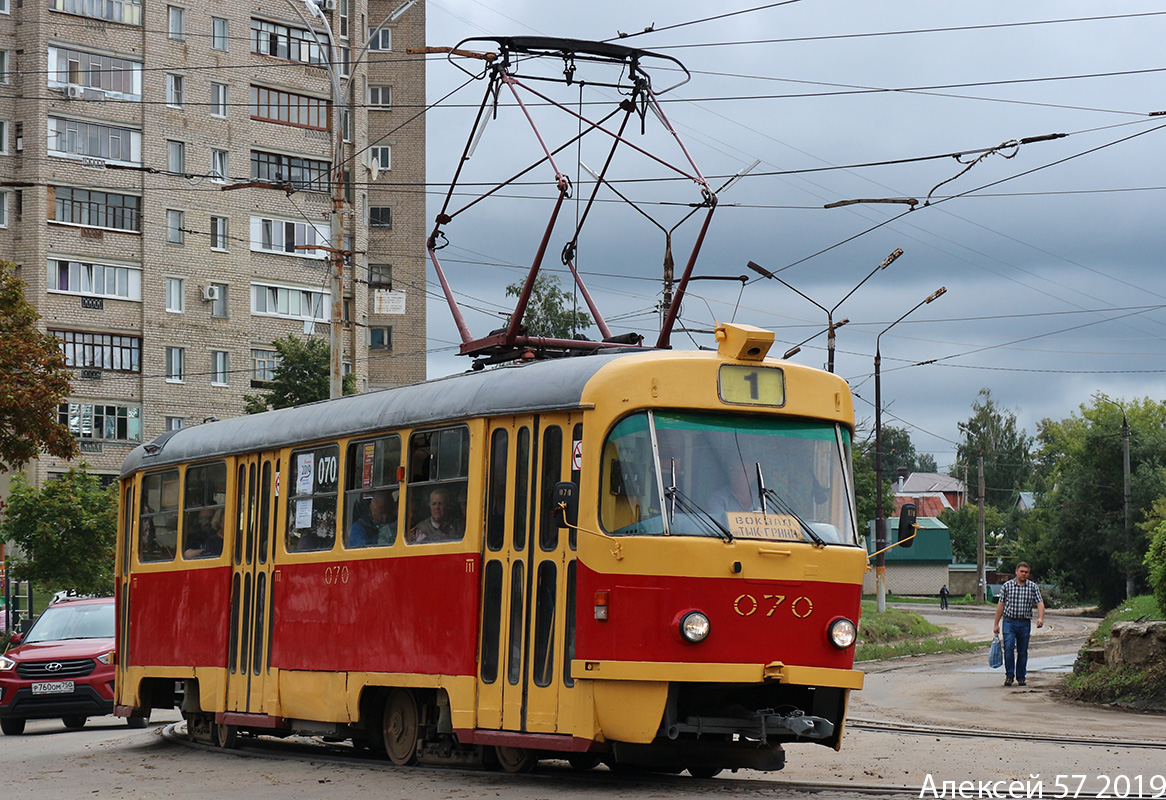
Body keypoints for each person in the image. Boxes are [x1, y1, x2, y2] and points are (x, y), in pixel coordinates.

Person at [992, 562, 1045, 687]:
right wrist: (996, 624)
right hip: (1009, 622)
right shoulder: (1007, 586)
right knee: (1009, 648)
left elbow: (1040, 602)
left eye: (1026, 572)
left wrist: (1041, 618)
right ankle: (1009, 675)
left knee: (1022, 651)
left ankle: (1021, 677)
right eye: (1022, 571)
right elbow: (1001, 605)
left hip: (1024, 623)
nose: (1024, 574)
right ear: (1016, 571)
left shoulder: (1032, 587)